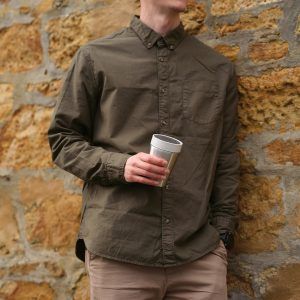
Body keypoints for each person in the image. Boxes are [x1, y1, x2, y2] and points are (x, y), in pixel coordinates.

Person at [47, 0, 240, 299]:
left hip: (198, 253)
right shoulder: (95, 57)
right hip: (119, 250)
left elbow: (226, 156)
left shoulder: (217, 69)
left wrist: (223, 232)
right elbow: (63, 139)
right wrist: (120, 166)